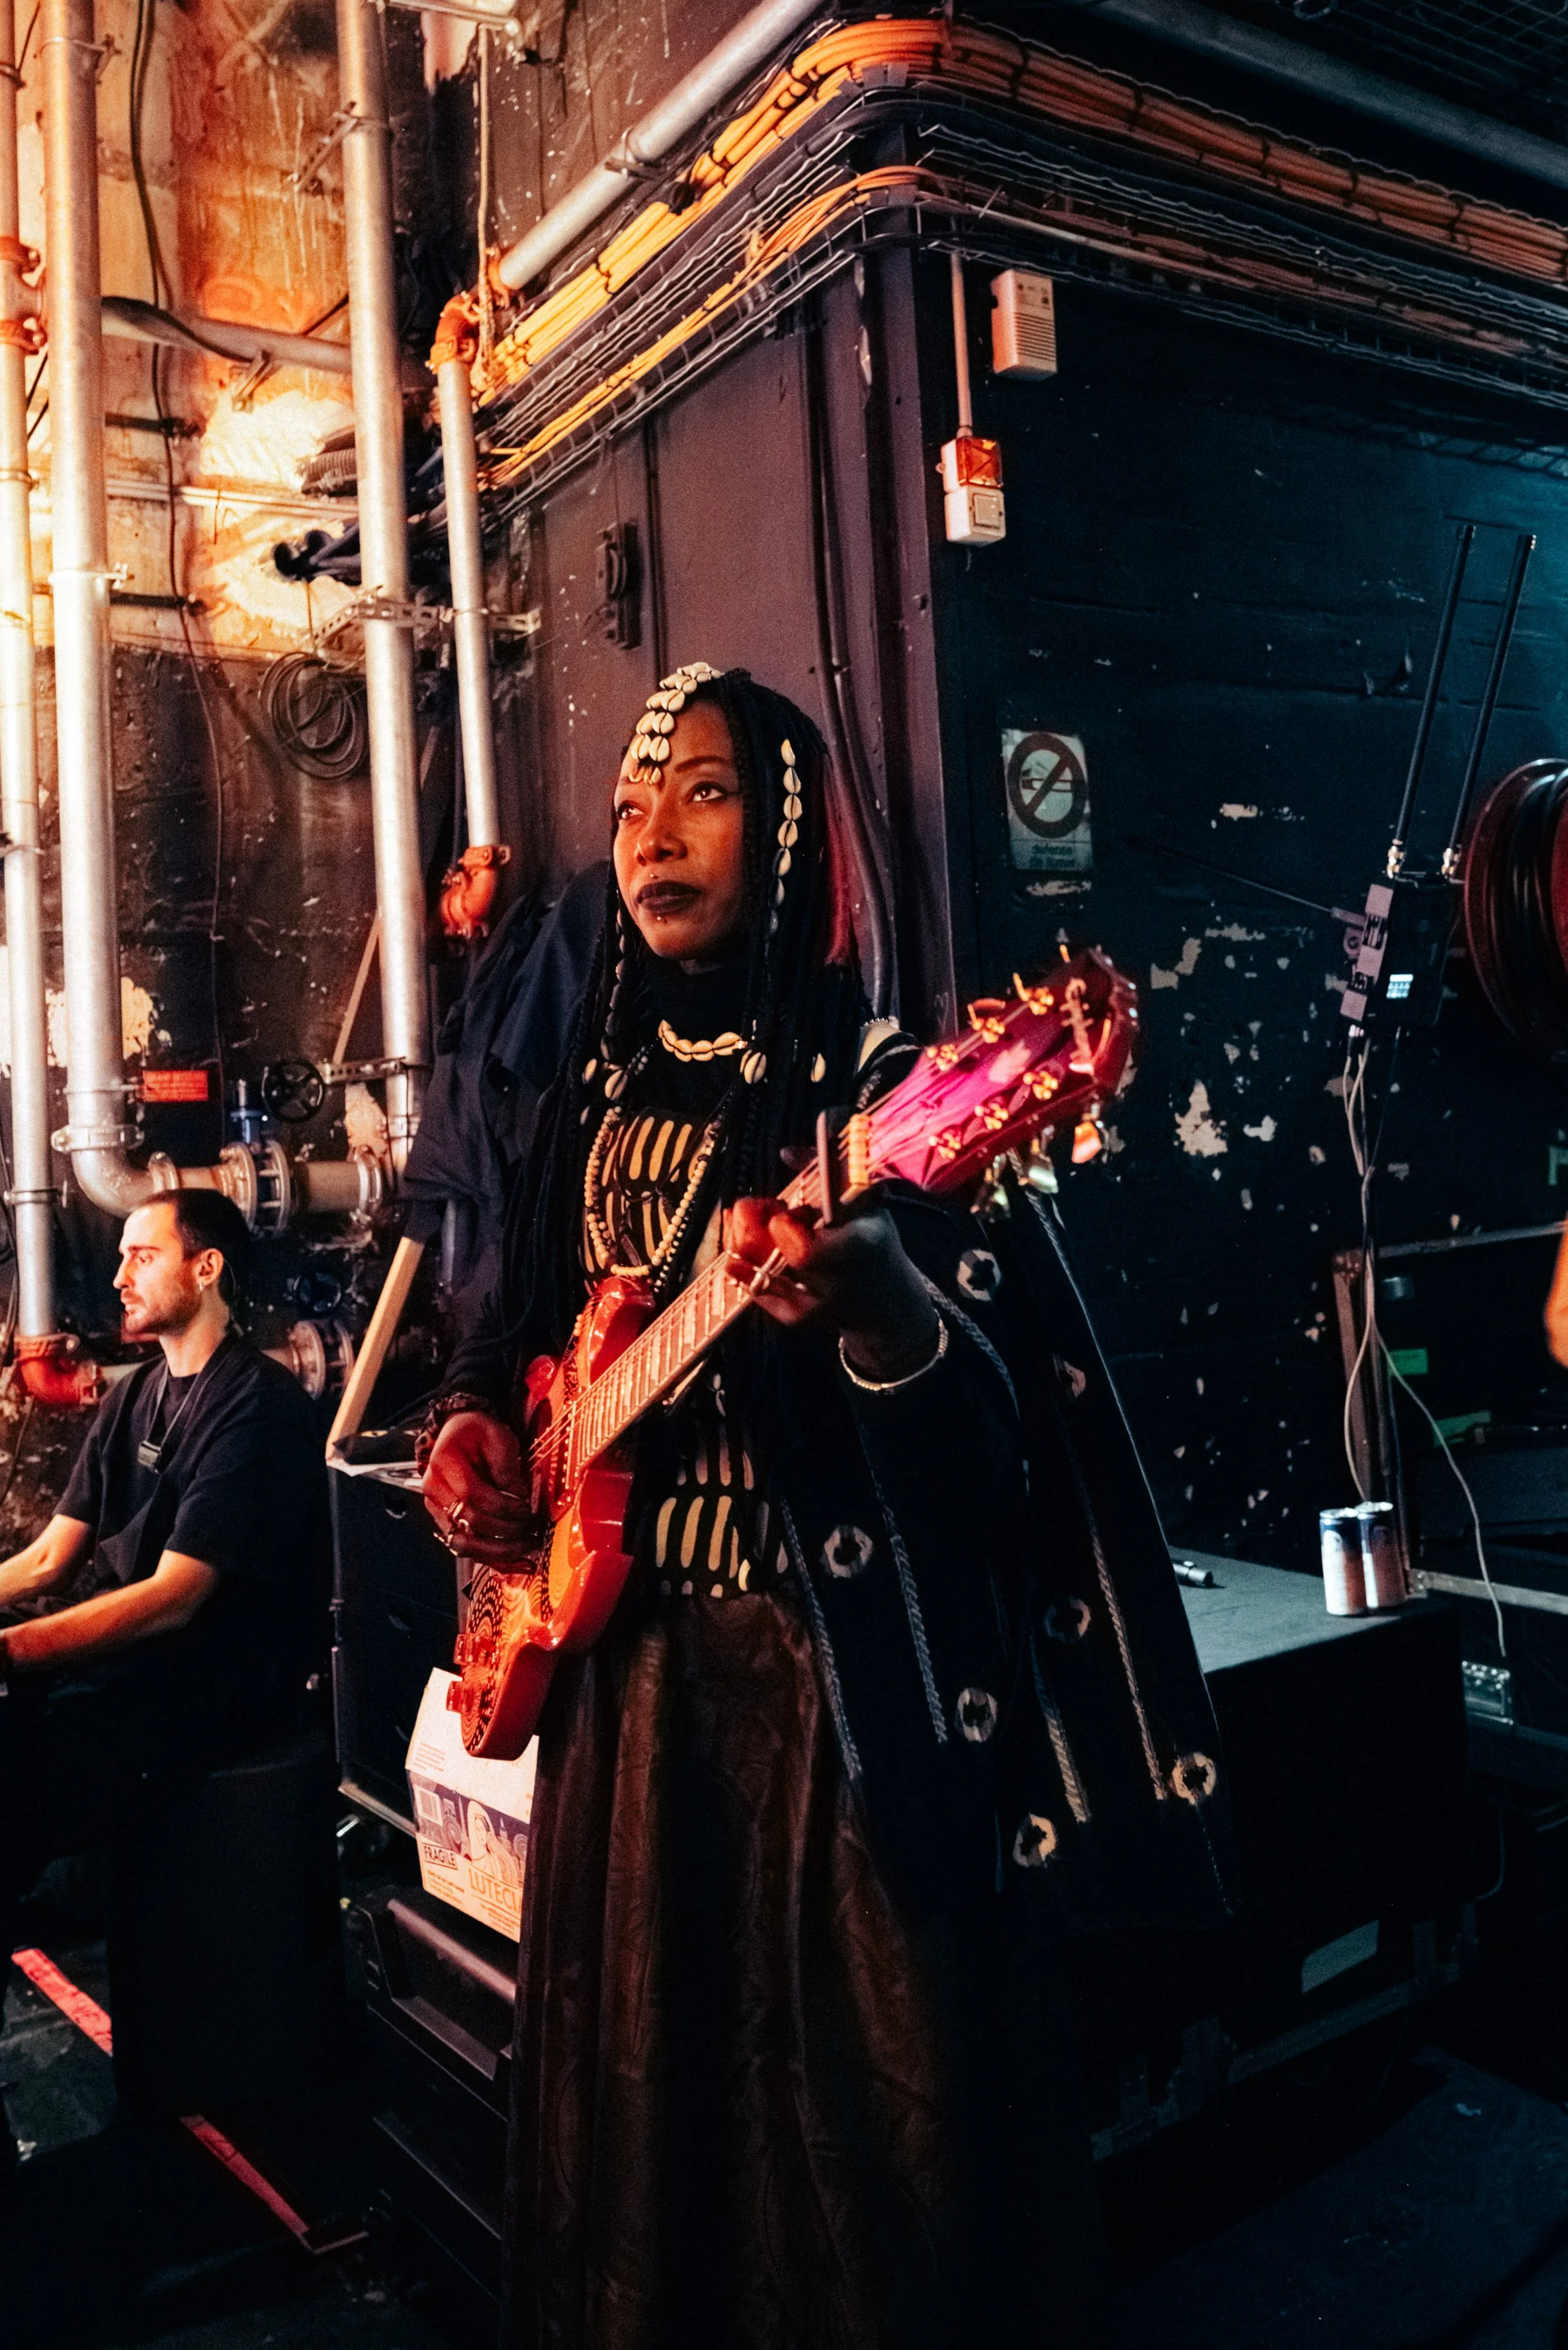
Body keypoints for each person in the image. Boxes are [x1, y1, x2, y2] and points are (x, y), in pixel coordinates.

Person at [418, 664, 1234, 2350]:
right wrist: (469, 1431)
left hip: (828, 1708)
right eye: (632, 804)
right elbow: (502, 1336)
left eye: (705, 793)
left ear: (786, 831)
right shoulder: (580, 1096)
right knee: (650, 2177)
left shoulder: (876, 1096)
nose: (651, 832)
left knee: (866, 2194)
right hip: (624, 1701)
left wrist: (875, 1306)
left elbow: (993, 1451)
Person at [0, 1190, 329, 2225]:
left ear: (206, 1268)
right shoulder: (137, 1393)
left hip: (206, 1684)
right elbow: (48, 1559)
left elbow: (177, 1597)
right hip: (132, 1665)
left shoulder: (257, 1404)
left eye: (142, 1254)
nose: (117, 1274)